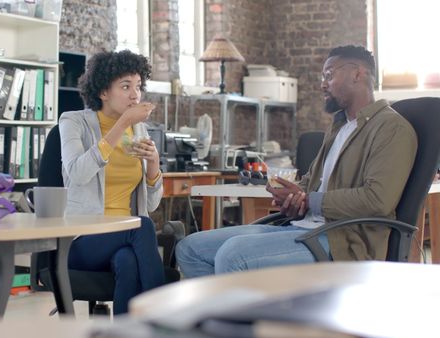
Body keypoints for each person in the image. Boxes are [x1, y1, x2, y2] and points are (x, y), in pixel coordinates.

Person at [175, 45, 417, 278]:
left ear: (357, 74)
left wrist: (310, 200)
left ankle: (242, 317)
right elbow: (311, 187)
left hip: (344, 241)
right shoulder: (340, 127)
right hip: (303, 227)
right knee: (190, 248)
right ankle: (230, 315)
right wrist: (294, 198)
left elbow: (377, 201)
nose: (323, 84)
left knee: (233, 255)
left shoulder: (391, 128)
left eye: (329, 75)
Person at [59, 50, 165, 314]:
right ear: (104, 92)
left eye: (138, 87)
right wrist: (122, 124)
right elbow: (78, 173)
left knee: (127, 261)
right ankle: (166, 319)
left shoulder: (139, 131)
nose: (135, 95)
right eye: (126, 86)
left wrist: (153, 165)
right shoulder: (73, 122)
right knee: (142, 226)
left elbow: (150, 204)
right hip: (81, 239)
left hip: (125, 239)